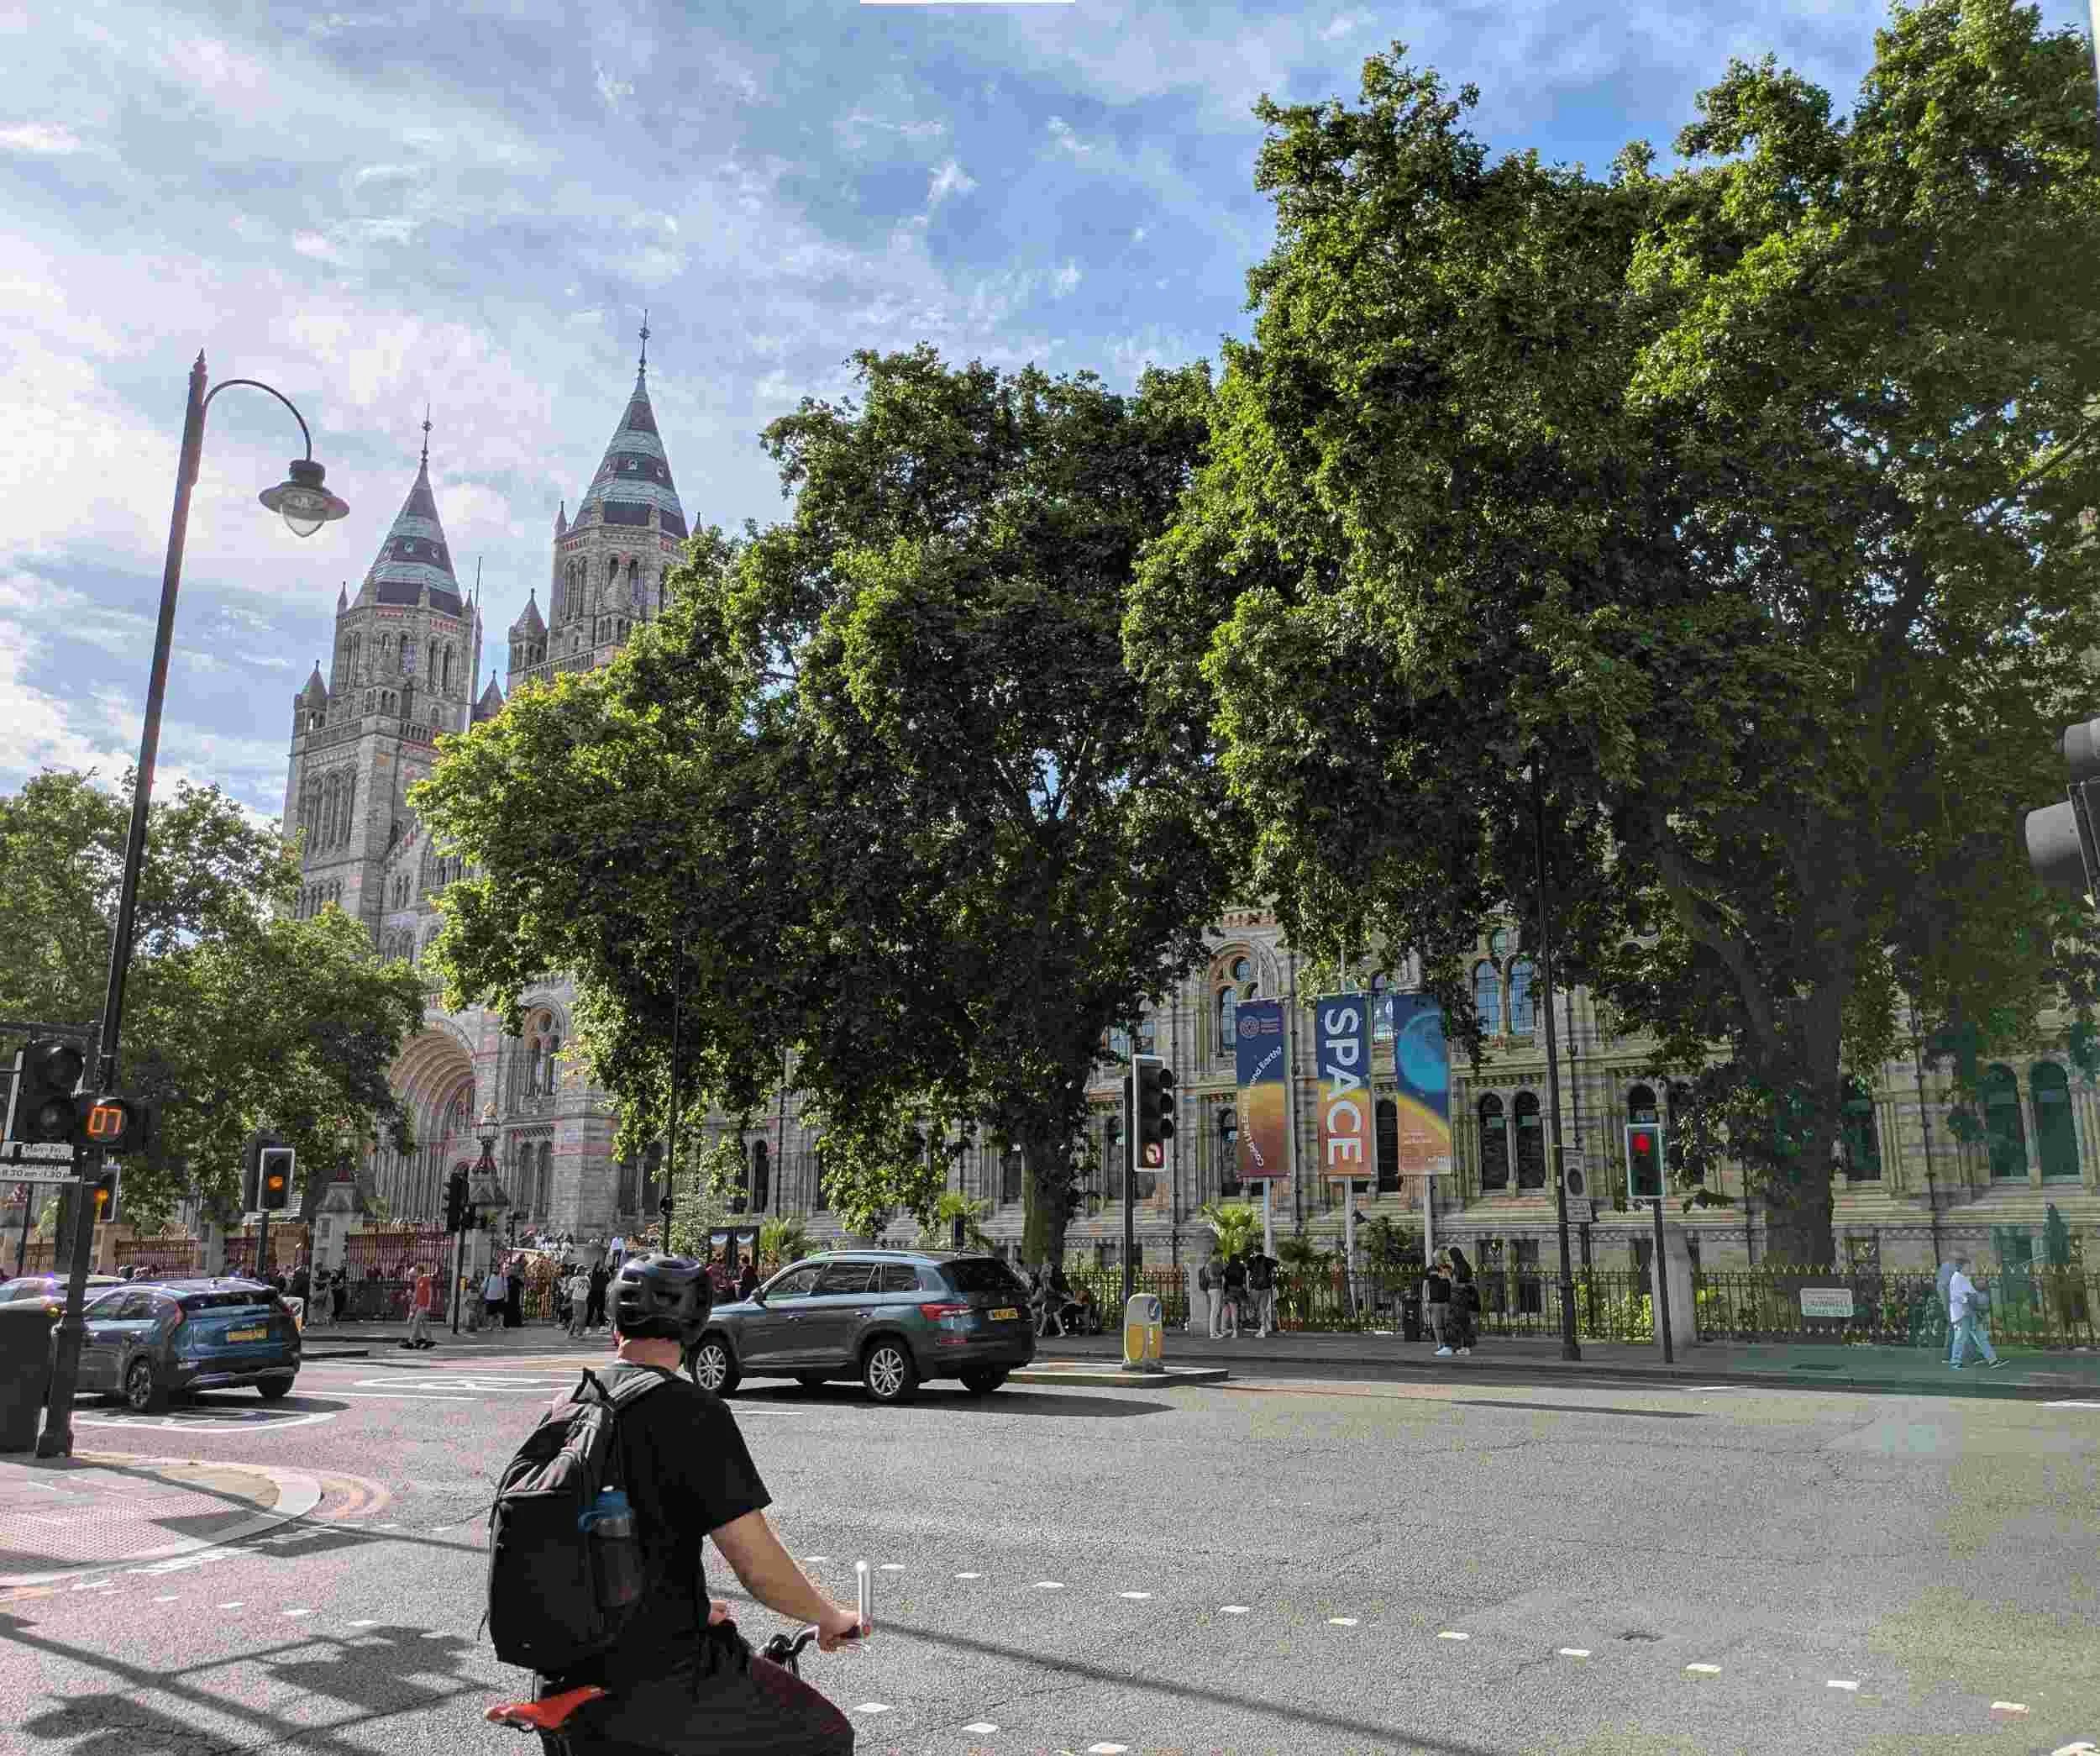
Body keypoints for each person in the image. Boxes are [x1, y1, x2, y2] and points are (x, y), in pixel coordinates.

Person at [529, 1254, 863, 1754]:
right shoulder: (693, 1413)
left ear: (614, 1322)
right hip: (655, 1685)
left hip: (560, 1674)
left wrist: (691, 1608)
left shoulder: (567, 1406)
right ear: (694, 1325)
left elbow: (583, 1551)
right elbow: (758, 1566)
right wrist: (831, 1616)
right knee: (826, 1737)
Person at [1948, 1256, 2004, 1370]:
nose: (1970, 1268)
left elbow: (1971, 1293)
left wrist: (1975, 1299)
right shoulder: (1956, 1279)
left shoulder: (1963, 1278)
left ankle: (1993, 1360)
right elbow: (1957, 1296)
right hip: (1962, 1314)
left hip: (1970, 1313)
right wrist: (1970, 1299)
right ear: (1962, 1267)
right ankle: (1955, 1361)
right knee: (1960, 1338)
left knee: (1981, 1337)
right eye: (1968, 1266)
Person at [1446, 1245, 1478, 1356]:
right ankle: (1464, 1346)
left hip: (1459, 1299)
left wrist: (1448, 1278)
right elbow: (1470, 1283)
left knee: (1457, 1323)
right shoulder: (1466, 1266)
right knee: (1464, 1323)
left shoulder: (1459, 1267)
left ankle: (1460, 1346)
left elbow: (1455, 1284)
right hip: (1465, 1299)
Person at [1425, 1252, 1453, 1356]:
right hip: (1434, 1302)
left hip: (1447, 1301)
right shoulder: (1430, 1270)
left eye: (1441, 1257)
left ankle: (1447, 1344)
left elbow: (1453, 1283)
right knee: (1437, 1325)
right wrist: (1426, 1301)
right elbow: (1425, 1286)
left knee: (1448, 1324)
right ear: (1435, 1259)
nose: (1440, 1259)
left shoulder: (1449, 1268)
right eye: (1438, 1258)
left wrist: (1448, 1276)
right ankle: (1440, 1344)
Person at [403, 1264, 438, 1349]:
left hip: (424, 1305)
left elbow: (430, 1291)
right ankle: (429, 1341)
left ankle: (410, 1342)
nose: (414, 1271)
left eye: (415, 1270)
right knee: (425, 1323)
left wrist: (429, 1304)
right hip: (419, 1305)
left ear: (419, 1271)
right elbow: (416, 1294)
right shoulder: (417, 1281)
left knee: (416, 1322)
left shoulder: (425, 1279)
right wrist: (413, 1303)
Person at [1247, 1250, 1278, 1338]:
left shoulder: (1251, 1261)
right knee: (1262, 1308)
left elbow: (1248, 1274)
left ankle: (1262, 1327)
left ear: (1255, 1252)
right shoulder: (1268, 1260)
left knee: (1255, 1308)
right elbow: (1276, 1267)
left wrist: (1248, 1288)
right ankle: (1264, 1328)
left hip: (1255, 1288)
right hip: (1266, 1287)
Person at [1935, 1254, 1961, 1363]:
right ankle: (1948, 1354)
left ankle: (1951, 1354)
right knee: (1953, 1328)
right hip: (1952, 1304)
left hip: (1956, 1303)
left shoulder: (1954, 1267)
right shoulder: (1948, 1268)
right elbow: (1943, 1288)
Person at [1221, 1253, 1247, 1340]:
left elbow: (1224, 1281)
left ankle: (1225, 1330)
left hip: (1229, 1291)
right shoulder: (1242, 1268)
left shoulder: (1227, 1268)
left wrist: (1224, 1293)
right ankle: (1234, 1331)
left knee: (1228, 1310)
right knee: (1234, 1311)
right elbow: (1244, 1281)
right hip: (1239, 1290)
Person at [566, 1262, 593, 1339]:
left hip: (584, 1299)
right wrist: (567, 1301)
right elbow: (570, 1291)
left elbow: (590, 1288)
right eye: (583, 1270)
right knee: (580, 1318)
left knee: (579, 1317)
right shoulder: (574, 1279)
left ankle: (570, 1333)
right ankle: (580, 1334)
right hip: (577, 1299)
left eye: (585, 1270)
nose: (584, 1271)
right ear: (578, 1271)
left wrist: (588, 1283)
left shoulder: (587, 1278)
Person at [483, 1263, 508, 1328]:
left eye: (497, 1268)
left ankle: (501, 1325)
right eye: (494, 1268)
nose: (495, 1269)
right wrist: (483, 1295)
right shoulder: (488, 1277)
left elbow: (505, 1286)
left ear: (499, 1269)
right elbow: (483, 1286)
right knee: (490, 1314)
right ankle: (490, 1326)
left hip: (500, 1297)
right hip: (490, 1298)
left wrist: (506, 1296)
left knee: (501, 1313)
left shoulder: (502, 1277)